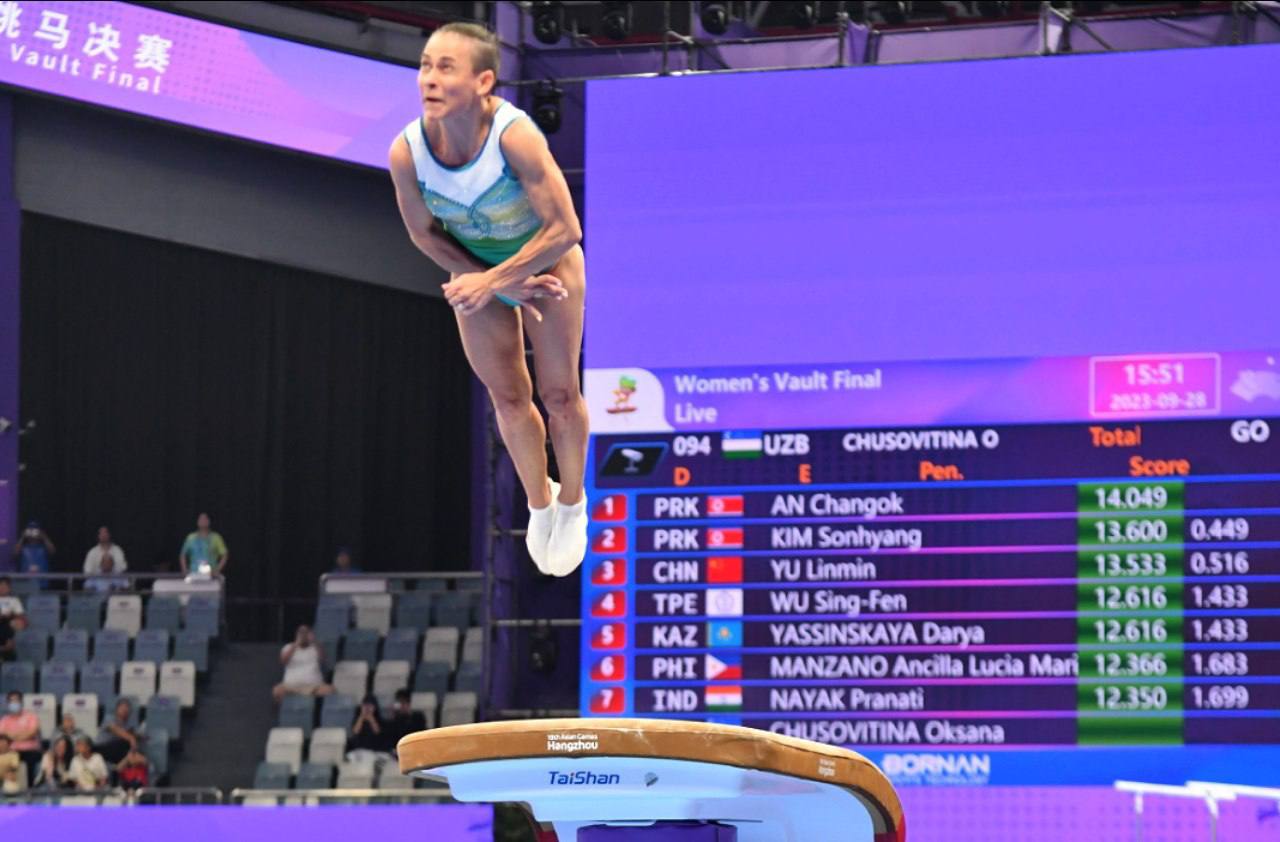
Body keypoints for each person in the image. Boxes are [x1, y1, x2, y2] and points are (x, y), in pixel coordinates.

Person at [388, 22, 589, 577]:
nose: (429, 78)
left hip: (548, 266)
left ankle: (573, 503)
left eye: (445, 67)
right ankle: (541, 503)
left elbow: (565, 228)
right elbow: (423, 234)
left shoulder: (514, 137)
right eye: (425, 65)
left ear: (483, 82)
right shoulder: (407, 153)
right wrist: (491, 281)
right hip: (480, 273)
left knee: (559, 393)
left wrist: (502, 277)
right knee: (507, 395)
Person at [272, 625, 333, 703]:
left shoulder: (315, 648)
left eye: (306, 632)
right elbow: (283, 661)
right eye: (301, 632)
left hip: (313, 686)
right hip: (291, 686)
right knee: (277, 691)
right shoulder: (288, 647)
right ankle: (288, 709)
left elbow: (323, 659)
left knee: (329, 690)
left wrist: (314, 641)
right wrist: (296, 644)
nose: (303, 635)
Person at [0, 691, 41, 782]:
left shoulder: (31, 716)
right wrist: (22, 734)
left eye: (16, 700)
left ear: (21, 702)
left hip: (29, 751)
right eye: (11, 701)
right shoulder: (4, 720)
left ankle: (30, 787)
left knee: (30, 758)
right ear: (8, 704)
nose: (14, 703)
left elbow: (32, 733)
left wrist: (12, 736)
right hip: (10, 752)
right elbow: (2, 737)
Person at [95, 698, 141, 765]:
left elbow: (135, 735)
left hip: (114, 751)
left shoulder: (127, 726)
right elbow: (115, 729)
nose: (125, 709)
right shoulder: (109, 718)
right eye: (122, 707)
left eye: (127, 708)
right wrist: (131, 738)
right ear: (117, 709)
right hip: (101, 748)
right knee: (125, 742)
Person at [12, 523, 55, 587]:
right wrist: (22, 537)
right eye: (30, 531)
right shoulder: (23, 548)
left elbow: (52, 551)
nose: (32, 534)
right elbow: (14, 553)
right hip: (25, 582)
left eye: (35, 531)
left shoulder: (43, 548)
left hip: (41, 582)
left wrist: (44, 537)